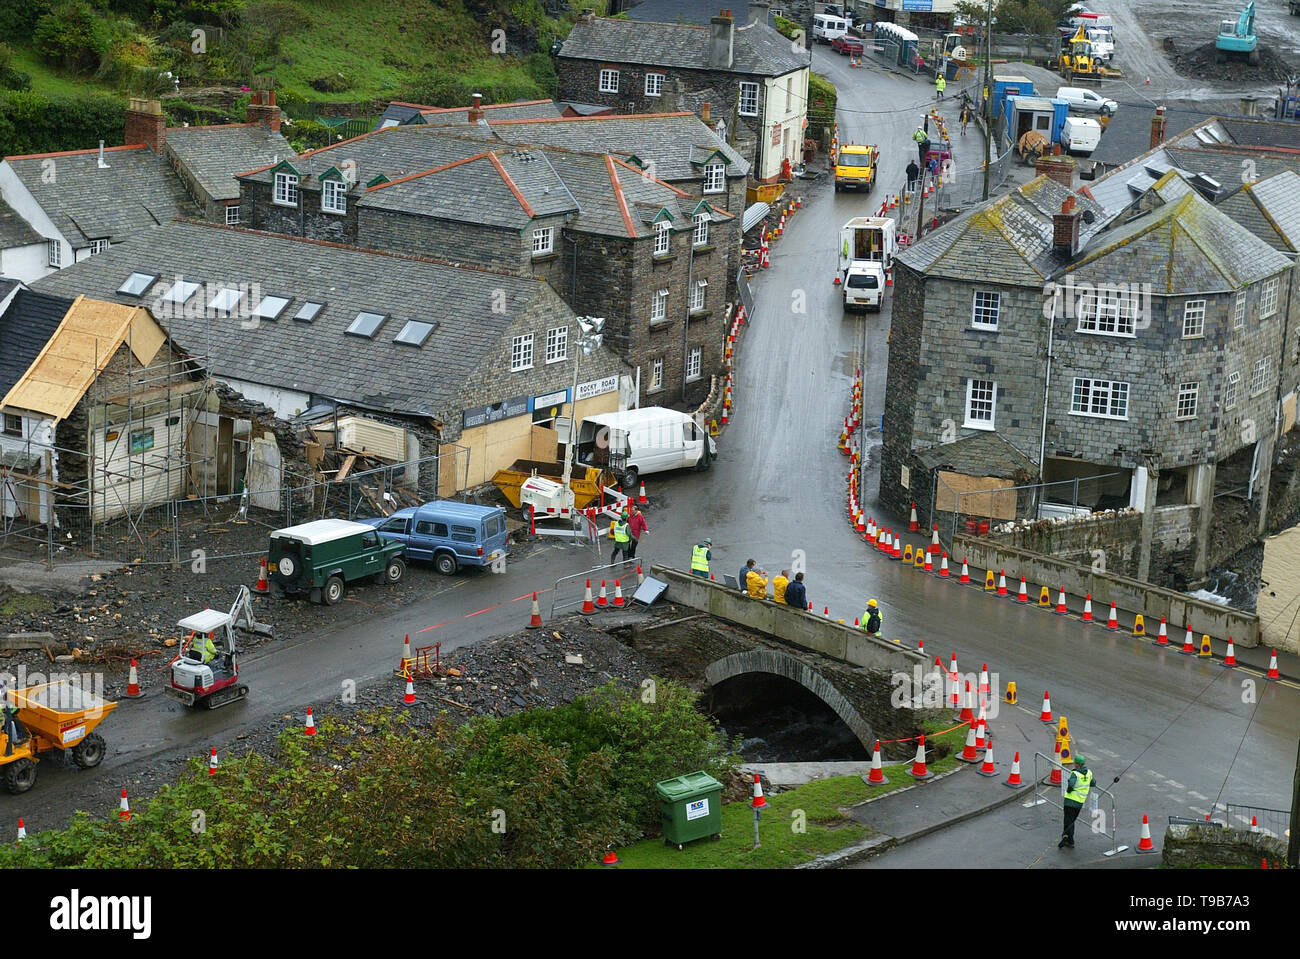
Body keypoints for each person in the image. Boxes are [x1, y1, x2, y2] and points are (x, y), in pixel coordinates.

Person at [1059, 754, 1094, 848]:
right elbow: (1093, 783)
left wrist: (1069, 790)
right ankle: (1068, 838)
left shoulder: (1075, 773)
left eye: (1074, 762)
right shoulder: (1089, 773)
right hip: (1080, 803)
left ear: (1077, 764)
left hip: (1070, 801)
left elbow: (1070, 785)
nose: (1074, 764)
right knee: (1072, 821)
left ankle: (1069, 839)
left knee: (1068, 821)